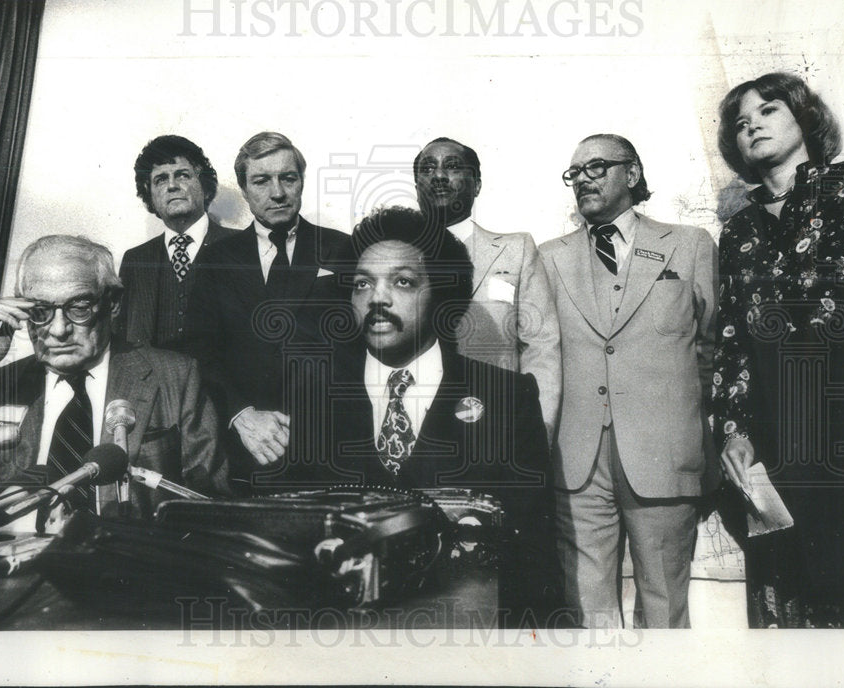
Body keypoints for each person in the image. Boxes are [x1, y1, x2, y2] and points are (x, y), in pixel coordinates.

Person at [263, 206, 557, 626]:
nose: (377, 298)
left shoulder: (506, 398)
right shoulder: (313, 400)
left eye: (402, 282)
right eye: (362, 283)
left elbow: (535, 558)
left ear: (441, 291)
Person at [539, 134, 718, 628]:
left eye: (596, 166)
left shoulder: (690, 244)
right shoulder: (547, 257)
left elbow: (713, 346)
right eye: (574, 172)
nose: (583, 179)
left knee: (664, 608)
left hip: (665, 454)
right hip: (575, 460)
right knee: (587, 612)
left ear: (633, 174)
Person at [713, 72, 844, 628]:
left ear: (805, 118)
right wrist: (734, 428)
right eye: (740, 121)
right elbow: (731, 338)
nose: (751, 124)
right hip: (776, 432)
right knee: (791, 591)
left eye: (769, 109)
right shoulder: (738, 232)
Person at [0, 235, 229, 520]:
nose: (58, 330)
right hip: (7, 562)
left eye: (79, 307)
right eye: (40, 311)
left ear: (112, 303)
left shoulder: (175, 376)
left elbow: (210, 505)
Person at [185, 132, 350, 475]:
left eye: (288, 178)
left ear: (302, 182)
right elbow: (200, 351)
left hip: (334, 447)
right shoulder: (215, 261)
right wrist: (241, 415)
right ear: (244, 190)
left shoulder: (344, 250)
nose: (277, 192)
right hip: (247, 454)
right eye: (261, 181)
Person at [414, 137, 561, 441]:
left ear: (476, 184)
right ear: (417, 186)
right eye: (428, 168)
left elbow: (541, 347)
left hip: (496, 423)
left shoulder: (515, 250)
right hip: (416, 423)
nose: (439, 175)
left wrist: (538, 429)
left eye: (452, 167)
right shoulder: (394, 257)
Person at [118, 135, 237, 349]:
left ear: (205, 185)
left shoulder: (242, 246)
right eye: (161, 179)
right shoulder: (135, 261)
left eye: (182, 175)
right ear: (149, 194)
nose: (172, 186)